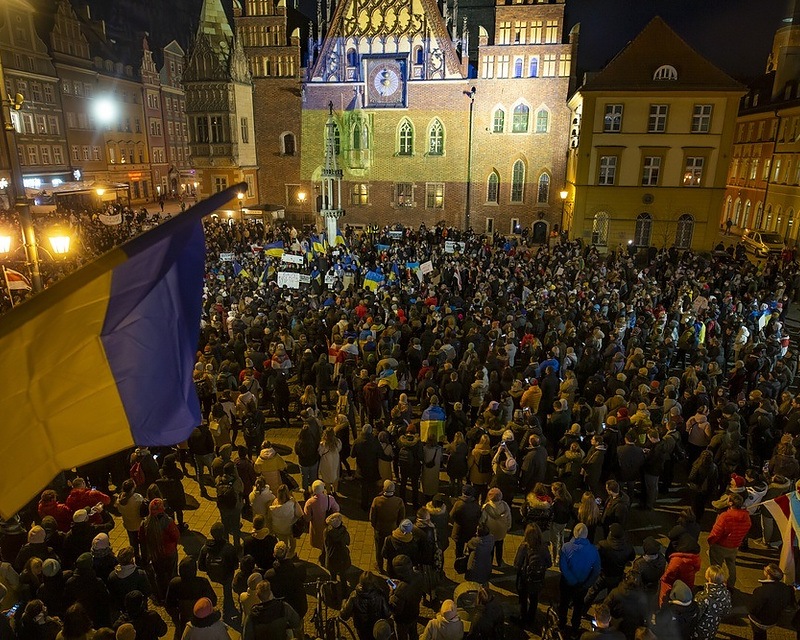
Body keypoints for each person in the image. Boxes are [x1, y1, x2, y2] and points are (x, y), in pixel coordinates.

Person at [558, 523, 601, 636]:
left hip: (567, 583)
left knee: (564, 603)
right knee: (578, 606)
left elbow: (563, 567)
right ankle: (575, 627)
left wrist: (572, 580)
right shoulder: (593, 550)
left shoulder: (566, 547)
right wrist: (587, 584)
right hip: (582, 585)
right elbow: (596, 571)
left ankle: (561, 624)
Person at [165, 558, 217, 640]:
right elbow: (213, 601)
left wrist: (176, 619)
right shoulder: (202, 582)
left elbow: (169, 605)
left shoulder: (174, 583)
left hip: (183, 619)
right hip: (202, 620)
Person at [706, 492, 751, 589]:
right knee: (731, 565)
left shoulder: (725, 516)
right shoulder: (746, 517)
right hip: (734, 546)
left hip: (720, 546)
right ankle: (731, 585)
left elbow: (716, 532)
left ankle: (715, 585)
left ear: (730, 503)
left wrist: (710, 542)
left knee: (716, 567)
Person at [198, 523, 239, 622]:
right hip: (226, 575)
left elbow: (200, 567)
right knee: (227, 591)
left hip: (213, 575)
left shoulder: (205, 548)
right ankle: (227, 611)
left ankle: (227, 607)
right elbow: (236, 565)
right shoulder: (229, 548)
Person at [514, 523, 551, 631]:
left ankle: (523, 618)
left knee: (523, 600)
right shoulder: (544, 547)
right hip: (537, 580)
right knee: (534, 600)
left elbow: (516, 564)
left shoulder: (524, 547)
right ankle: (531, 619)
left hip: (524, 580)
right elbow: (549, 564)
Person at [748, 563, 794, 640]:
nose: (764, 568)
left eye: (765, 568)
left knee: (758, 634)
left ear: (768, 575)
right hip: (774, 619)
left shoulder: (761, 591)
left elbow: (753, 609)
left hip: (760, 621)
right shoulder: (786, 588)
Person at [263, 542, 308, 620]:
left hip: (280, 610)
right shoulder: (300, 568)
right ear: (287, 554)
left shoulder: (269, 575)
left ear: (274, 555)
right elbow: (303, 579)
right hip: (299, 606)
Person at [341, 571, 390, 640]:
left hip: (362, 629)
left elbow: (344, 615)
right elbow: (387, 614)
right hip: (376, 628)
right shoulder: (380, 594)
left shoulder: (354, 596)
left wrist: (344, 602)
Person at [370, 480, 406, 574]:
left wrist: (375, 526)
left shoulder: (377, 500)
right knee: (391, 550)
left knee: (379, 548)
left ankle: (380, 566)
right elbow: (401, 517)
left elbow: (372, 517)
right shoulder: (399, 501)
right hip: (393, 529)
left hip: (380, 529)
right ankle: (390, 568)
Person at [691, 565, 731, 640]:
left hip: (700, 629)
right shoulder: (726, 593)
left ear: (709, 578)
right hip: (714, 626)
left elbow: (696, 615)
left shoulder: (703, 596)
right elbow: (727, 611)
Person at [304, 480, 341, 561]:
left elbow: (307, 518)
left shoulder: (309, 502)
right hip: (328, 525)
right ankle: (326, 555)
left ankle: (323, 555)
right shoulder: (329, 499)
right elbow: (337, 509)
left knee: (320, 542)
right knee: (327, 542)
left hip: (316, 527)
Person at [352, 424, 381, 511]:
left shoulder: (357, 441)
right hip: (373, 469)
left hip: (361, 470)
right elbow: (380, 454)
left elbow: (352, 455)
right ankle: (373, 505)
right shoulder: (375, 441)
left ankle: (364, 505)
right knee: (372, 488)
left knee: (364, 489)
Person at [269, 484, 303, 559]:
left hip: (279, 528)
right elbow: (300, 514)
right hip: (290, 527)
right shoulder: (292, 502)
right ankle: (291, 553)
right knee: (292, 541)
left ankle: (284, 554)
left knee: (283, 543)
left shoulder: (274, 502)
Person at [115, 481, 146, 562]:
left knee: (133, 543)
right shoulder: (137, 498)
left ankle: (137, 558)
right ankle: (145, 559)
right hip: (139, 524)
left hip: (129, 525)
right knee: (143, 543)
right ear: (132, 488)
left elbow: (120, 511)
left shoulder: (119, 500)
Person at [481, 488, 511, 566]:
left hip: (490, 532)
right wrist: (508, 527)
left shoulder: (486, 507)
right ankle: (499, 561)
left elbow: (482, 520)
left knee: (490, 548)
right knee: (499, 547)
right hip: (501, 531)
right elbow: (509, 518)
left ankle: (489, 563)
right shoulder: (505, 505)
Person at [323, 513, 351, 596]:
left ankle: (334, 594)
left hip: (331, 557)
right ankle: (345, 595)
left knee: (333, 577)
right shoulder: (344, 532)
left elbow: (325, 544)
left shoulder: (327, 532)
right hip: (342, 557)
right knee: (343, 576)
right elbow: (348, 542)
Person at [450, 485, 481, 559]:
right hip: (471, 529)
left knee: (459, 547)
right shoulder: (475, 504)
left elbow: (451, 515)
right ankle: (468, 559)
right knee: (470, 545)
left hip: (459, 530)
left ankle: (458, 560)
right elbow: (479, 516)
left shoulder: (458, 504)